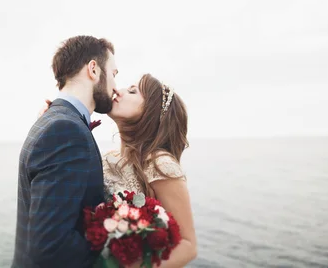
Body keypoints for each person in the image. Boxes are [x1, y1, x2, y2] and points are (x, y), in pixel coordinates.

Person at [12, 35, 119, 268]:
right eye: (113, 74)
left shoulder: (56, 120)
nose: (115, 86)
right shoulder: (66, 129)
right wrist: (114, 255)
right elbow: (50, 248)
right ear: (93, 69)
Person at [104, 74, 197, 267]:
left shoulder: (159, 163)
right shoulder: (108, 159)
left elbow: (188, 246)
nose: (117, 91)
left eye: (132, 91)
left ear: (150, 112)